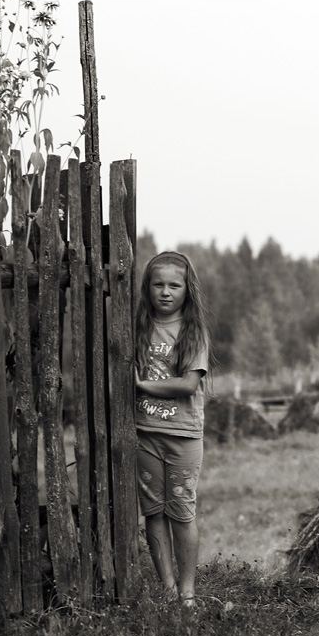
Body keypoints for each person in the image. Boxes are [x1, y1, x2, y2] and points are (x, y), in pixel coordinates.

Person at [134, 251, 212, 608]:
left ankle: (188, 592)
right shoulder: (138, 327)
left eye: (174, 285)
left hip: (183, 436)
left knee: (182, 511)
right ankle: (166, 588)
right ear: (148, 288)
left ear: (187, 289)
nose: (165, 292)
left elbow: (186, 385)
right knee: (153, 511)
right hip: (144, 433)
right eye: (158, 284)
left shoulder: (193, 331)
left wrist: (143, 386)